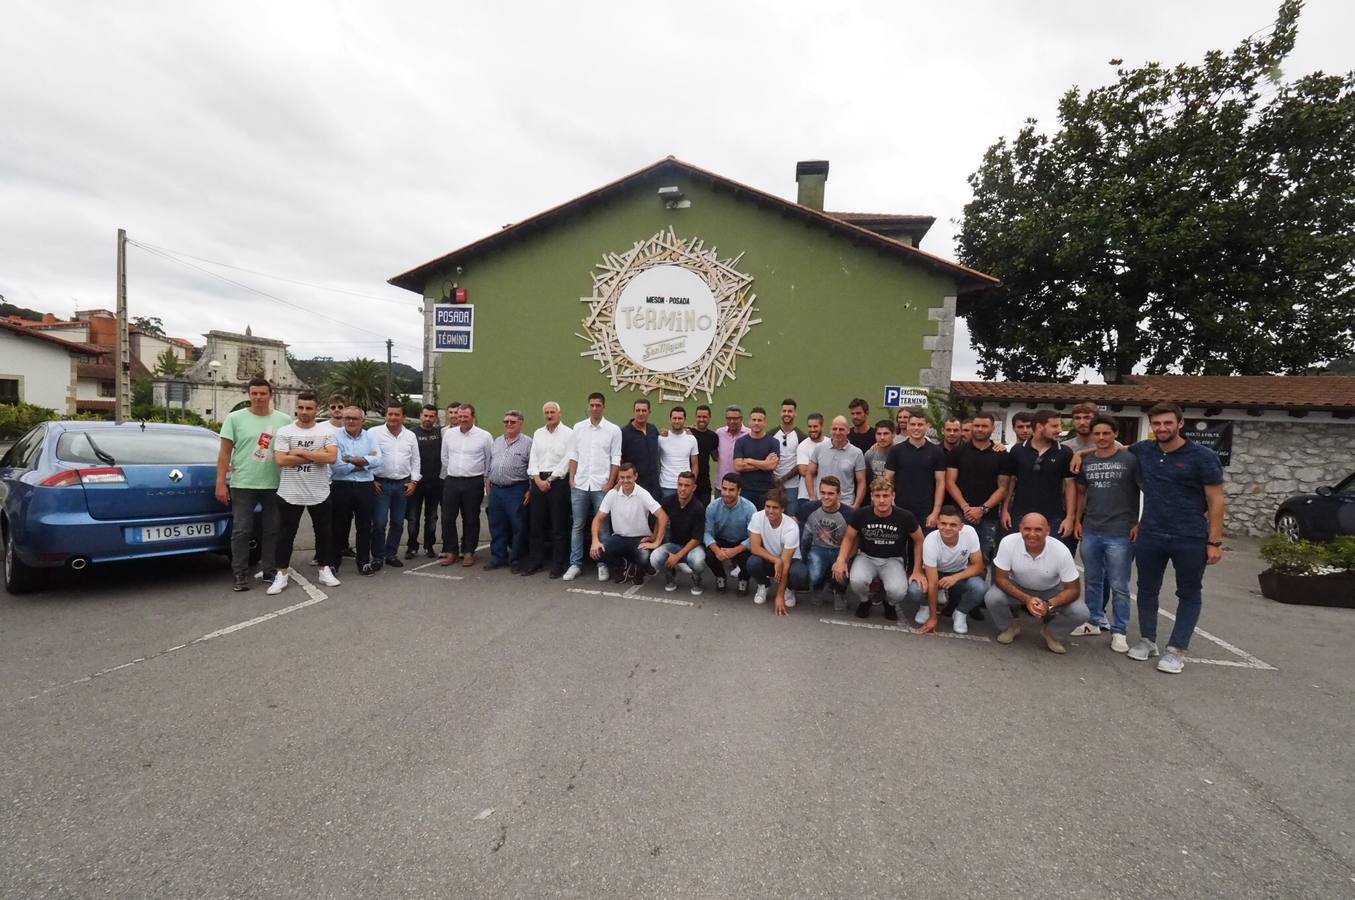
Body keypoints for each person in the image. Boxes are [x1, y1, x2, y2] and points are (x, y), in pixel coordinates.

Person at [1123, 402, 1225, 674]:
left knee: (1189, 592)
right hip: (1151, 532)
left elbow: (1216, 498)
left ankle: (1176, 650)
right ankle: (1147, 640)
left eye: (1168, 423)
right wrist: (1080, 453)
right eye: (1156, 424)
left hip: (1190, 536)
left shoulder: (1203, 456)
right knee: (1146, 588)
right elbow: (1114, 450)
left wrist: (1214, 542)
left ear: (1180, 423)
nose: (1162, 428)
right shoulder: (1144, 450)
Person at [215, 377, 294, 592]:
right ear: (249, 394)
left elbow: (290, 451)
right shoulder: (235, 418)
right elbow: (224, 453)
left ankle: (269, 569)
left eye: (263, 393)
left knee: (272, 530)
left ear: (270, 395)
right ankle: (240, 573)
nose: (258, 397)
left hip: (275, 483)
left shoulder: (285, 420)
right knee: (241, 530)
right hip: (243, 483)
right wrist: (220, 482)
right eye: (254, 393)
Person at [1073, 415, 1141, 649]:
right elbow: (1081, 493)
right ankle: (1093, 620)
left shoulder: (1130, 460)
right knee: (1092, 579)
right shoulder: (1087, 461)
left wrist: (1138, 522)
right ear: (1092, 436)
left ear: (1115, 434)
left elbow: (1147, 491)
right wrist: (1077, 521)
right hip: (1091, 528)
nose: (1101, 438)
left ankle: (1119, 630)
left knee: (1119, 584)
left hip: (1120, 531)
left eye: (1106, 433)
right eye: (1097, 434)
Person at [984, 513, 1088, 654]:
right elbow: (1000, 578)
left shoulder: (1061, 551)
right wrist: (1027, 599)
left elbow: (1073, 590)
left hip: (1051, 590)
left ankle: (1051, 632)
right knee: (992, 597)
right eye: (1027, 529)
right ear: (1020, 529)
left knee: (1081, 613)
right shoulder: (1008, 542)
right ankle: (1010, 626)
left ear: (1048, 531)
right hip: (1018, 586)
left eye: (1038, 529)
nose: (1032, 534)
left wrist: (1049, 604)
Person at [268, 391, 339, 595]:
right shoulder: (285, 432)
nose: (304, 412)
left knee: (324, 534)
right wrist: (317, 456)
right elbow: (281, 460)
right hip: (290, 492)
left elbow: (332, 458)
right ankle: (281, 574)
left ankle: (324, 569)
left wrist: (299, 452)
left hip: (320, 492)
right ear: (296, 408)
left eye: (309, 408)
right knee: (285, 536)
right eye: (301, 407)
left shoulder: (326, 432)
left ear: (317, 409)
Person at [834, 477, 926, 622]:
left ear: (893, 496)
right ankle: (865, 601)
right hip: (866, 557)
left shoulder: (905, 517)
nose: (882, 500)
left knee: (898, 591)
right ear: (871, 497)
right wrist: (841, 559)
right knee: (857, 581)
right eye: (877, 496)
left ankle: (889, 604)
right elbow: (849, 538)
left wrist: (917, 569)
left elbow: (919, 540)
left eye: (886, 496)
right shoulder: (861, 514)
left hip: (893, 560)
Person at [564, 392, 622, 581]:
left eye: (598, 405)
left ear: (604, 407)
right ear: (588, 407)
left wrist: (610, 482)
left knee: (603, 528)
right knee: (578, 525)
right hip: (580, 485)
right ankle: (575, 564)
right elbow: (573, 455)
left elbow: (616, 458)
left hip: (601, 486)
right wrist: (572, 479)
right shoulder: (578, 428)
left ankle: (602, 563)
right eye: (592, 405)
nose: (595, 408)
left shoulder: (613, 430)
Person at [944, 411, 1013, 562]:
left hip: (988, 518)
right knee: (954, 558)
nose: (979, 429)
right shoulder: (957, 452)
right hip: (960, 515)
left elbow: (1003, 488)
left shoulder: (1002, 455)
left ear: (993, 428)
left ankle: (979, 585)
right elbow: (949, 482)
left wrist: (982, 509)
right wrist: (966, 508)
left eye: (984, 426)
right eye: (976, 425)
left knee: (982, 559)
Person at [1001, 409, 1076, 546]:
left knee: (1052, 559)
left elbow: (1070, 485)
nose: (1059, 430)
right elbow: (1010, 482)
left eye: (1059, 426)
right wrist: (1005, 510)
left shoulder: (1065, 452)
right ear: (1040, 427)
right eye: (1054, 426)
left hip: (1053, 517)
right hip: (1020, 515)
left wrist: (1070, 517)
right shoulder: (1017, 450)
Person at [590, 462, 664, 586]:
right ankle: (622, 566)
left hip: (640, 538)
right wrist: (595, 540)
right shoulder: (612, 494)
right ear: (618, 478)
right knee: (598, 552)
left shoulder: (643, 494)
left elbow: (662, 516)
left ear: (635, 477)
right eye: (622, 478)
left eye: (628, 477)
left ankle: (639, 569)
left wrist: (656, 541)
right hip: (619, 537)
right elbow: (597, 519)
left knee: (643, 557)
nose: (625, 481)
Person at [330, 405, 382, 577]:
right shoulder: (334, 436)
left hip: (365, 487)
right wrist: (363, 463)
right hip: (341, 486)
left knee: (365, 527)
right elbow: (336, 466)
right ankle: (333, 563)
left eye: (354, 418)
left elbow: (378, 460)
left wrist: (350, 459)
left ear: (362, 420)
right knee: (339, 526)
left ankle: (363, 563)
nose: (350, 421)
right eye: (347, 418)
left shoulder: (370, 436)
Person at [439, 403, 493, 567]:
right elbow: (445, 457)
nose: (461, 419)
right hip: (452, 480)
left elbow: (489, 459)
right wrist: (455, 470)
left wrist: (484, 478)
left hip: (473, 482)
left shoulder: (484, 436)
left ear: (473, 417)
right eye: (459, 416)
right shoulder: (449, 434)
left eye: (465, 416)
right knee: (447, 518)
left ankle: (469, 552)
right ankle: (451, 552)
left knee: (470, 518)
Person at [524, 401, 573, 578]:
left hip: (558, 482)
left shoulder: (569, 433)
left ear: (559, 414)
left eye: (552, 412)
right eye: (547, 412)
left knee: (558, 526)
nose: (549, 415)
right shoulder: (538, 433)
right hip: (538, 482)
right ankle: (535, 561)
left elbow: (568, 459)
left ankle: (558, 564)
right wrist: (537, 479)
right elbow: (533, 458)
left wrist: (550, 479)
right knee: (536, 525)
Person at [921, 506, 988, 634]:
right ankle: (926, 607)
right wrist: (933, 617)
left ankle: (960, 612)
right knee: (915, 590)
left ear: (961, 526)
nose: (947, 528)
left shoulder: (970, 532)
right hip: (936, 573)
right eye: (943, 523)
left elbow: (979, 567)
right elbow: (933, 582)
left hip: (958, 573)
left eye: (953, 524)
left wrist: (955, 578)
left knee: (980, 588)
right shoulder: (930, 541)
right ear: (937, 523)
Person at [371, 402, 421, 569]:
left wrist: (414, 481)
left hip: (402, 485)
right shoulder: (374, 433)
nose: (393, 417)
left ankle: (391, 554)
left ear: (403, 417)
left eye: (396, 414)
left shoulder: (410, 436)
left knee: (398, 523)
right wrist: (371, 479)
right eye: (390, 414)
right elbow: (367, 456)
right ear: (386, 415)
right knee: (379, 523)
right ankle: (377, 557)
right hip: (381, 485)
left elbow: (415, 460)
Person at [747, 488, 809, 615]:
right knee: (752, 562)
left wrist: (779, 596)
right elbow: (755, 548)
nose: (770, 511)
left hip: (790, 561)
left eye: (775, 508)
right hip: (771, 559)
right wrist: (776, 560)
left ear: (782, 509)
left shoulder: (791, 527)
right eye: (767, 506)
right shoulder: (757, 517)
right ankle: (764, 585)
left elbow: (785, 564)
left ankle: (788, 589)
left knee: (800, 574)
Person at [884, 406, 947, 530]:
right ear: (907, 426)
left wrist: (935, 512)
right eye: (912, 424)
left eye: (920, 424)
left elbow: (940, 483)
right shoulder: (896, 451)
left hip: (926, 512)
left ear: (927, 426)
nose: (916, 428)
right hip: (900, 509)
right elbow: (887, 479)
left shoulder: (936, 452)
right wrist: (891, 504)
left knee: (924, 548)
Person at [486, 409, 532, 572]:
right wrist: (488, 483)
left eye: (512, 422)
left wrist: (530, 489)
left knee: (517, 526)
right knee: (496, 524)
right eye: (506, 422)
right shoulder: (497, 441)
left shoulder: (528, 443)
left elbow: (532, 468)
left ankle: (516, 560)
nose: (509, 425)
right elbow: (490, 464)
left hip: (516, 490)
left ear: (521, 423)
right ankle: (498, 557)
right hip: (496, 490)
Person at [649, 470, 707, 595]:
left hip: (693, 547)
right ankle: (671, 575)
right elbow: (660, 520)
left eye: (687, 485)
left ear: (694, 487)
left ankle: (697, 579)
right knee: (654, 558)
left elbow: (697, 539)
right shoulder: (668, 501)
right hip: (674, 544)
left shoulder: (698, 507)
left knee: (697, 561)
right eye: (680, 484)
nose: (682, 489)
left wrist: (678, 556)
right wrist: (654, 538)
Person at [799, 476, 851, 610]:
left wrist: (844, 559)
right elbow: (798, 530)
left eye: (831, 493)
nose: (826, 497)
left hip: (840, 551)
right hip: (817, 549)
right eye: (823, 493)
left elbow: (853, 540)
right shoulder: (808, 508)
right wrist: (803, 557)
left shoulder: (849, 514)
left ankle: (840, 591)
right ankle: (818, 586)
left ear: (839, 494)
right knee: (814, 575)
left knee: (843, 570)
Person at [704, 472, 756, 594]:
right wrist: (717, 550)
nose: (726, 493)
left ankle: (743, 579)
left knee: (750, 559)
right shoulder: (712, 507)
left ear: (739, 491)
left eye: (731, 490)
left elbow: (753, 537)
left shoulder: (750, 508)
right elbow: (707, 533)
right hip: (722, 540)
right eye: (724, 489)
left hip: (742, 542)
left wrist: (735, 550)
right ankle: (720, 576)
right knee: (709, 555)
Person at [405, 403, 443, 560]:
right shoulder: (411, 434)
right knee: (413, 517)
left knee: (432, 518)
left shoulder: (440, 434)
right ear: (421, 415)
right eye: (425, 415)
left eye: (431, 416)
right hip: (416, 483)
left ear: (435, 418)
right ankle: (412, 546)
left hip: (435, 483)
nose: (428, 419)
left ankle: (429, 546)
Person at [807, 416, 867, 509]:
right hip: (822, 502)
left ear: (848, 430)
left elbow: (861, 481)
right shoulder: (819, 449)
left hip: (845, 504)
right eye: (835, 429)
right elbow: (809, 473)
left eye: (841, 429)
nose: (837, 432)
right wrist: (813, 498)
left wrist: (856, 505)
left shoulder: (856, 453)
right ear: (830, 430)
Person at [733, 406, 780, 510]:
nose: (756, 423)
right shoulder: (741, 442)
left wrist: (749, 460)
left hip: (767, 491)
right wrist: (764, 463)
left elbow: (772, 465)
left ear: (765, 422)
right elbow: (738, 466)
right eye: (754, 420)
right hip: (746, 490)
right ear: (749, 422)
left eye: (759, 420)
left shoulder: (773, 442)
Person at [656, 406, 699, 500]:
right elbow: (655, 460)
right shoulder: (661, 438)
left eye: (680, 418)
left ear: (685, 420)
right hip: (666, 486)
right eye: (674, 418)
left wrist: (691, 483)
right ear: (670, 420)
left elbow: (695, 465)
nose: (677, 421)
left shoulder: (691, 439)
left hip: (685, 485)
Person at [620, 398, 660, 495]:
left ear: (649, 412)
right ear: (633, 412)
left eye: (644, 410)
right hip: (634, 485)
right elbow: (619, 458)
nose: (641, 413)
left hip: (654, 484)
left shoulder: (653, 429)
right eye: (638, 410)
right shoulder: (624, 433)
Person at [794, 413, 826, 520]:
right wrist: (825, 467)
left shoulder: (829, 443)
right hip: (805, 496)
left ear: (822, 426)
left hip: (826, 495)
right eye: (810, 426)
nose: (812, 429)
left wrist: (812, 468)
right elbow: (803, 471)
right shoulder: (803, 445)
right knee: (805, 529)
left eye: (815, 426)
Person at [772, 399, 803, 507]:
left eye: (790, 411)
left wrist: (783, 479)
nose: (786, 414)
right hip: (773, 486)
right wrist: (775, 480)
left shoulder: (801, 437)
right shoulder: (771, 435)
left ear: (795, 413)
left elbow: (801, 464)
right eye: (784, 411)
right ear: (781, 413)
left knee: (791, 519)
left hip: (793, 487)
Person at [691, 404, 719, 506]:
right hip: (688, 483)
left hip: (704, 486)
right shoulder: (688, 433)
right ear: (695, 417)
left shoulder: (713, 436)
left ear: (709, 418)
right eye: (699, 417)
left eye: (704, 417)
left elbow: (715, 457)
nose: (701, 419)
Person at [714, 405, 746, 486]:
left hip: (741, 486)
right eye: (729, 418)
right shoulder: (719, 433)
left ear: (741, 419)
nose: (732, 421)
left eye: (735, 418)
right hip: (721, 485)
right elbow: (714, 455)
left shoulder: (748, 434)